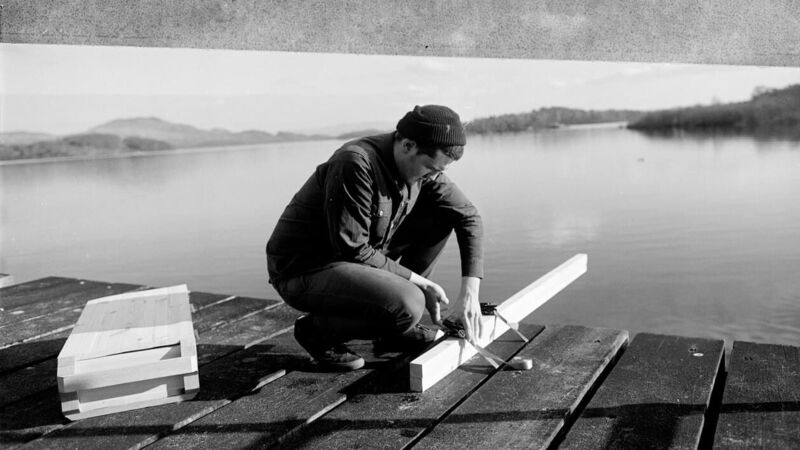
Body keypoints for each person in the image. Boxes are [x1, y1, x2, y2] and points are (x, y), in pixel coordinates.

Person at [266, 105, 484, 371]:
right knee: (410, 303)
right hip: (305, 270)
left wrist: (470, 294)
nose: (433, 177)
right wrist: (419, 283)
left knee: (443, 215)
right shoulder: (354, 163)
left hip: (356, 261)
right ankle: (316, 332)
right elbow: (352, 248)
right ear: (407, 145)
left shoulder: (423, 166)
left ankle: (395, 327)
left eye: (439, 171)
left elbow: (468, 216)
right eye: (430, 168)